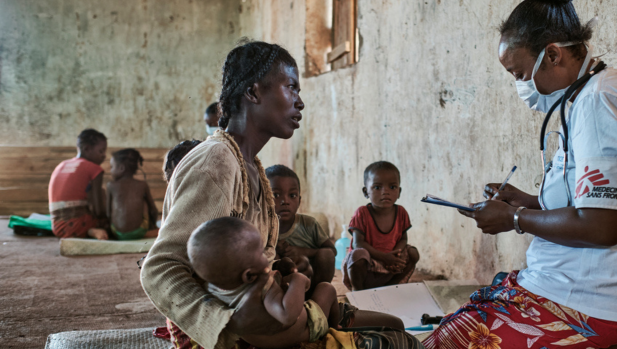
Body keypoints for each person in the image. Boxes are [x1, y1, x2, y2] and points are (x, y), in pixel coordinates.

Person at [423, 1, 617, 349]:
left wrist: (515, 217)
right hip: (572, 285)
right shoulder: (586, 98)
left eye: (520, 74)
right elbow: (592, 200)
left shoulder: (601, 102)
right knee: (452, 327)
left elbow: (603, 226)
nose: (521, 85)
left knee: (443, 344)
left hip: (590, 300)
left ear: (552, 55)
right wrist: (528, 201)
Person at [140, 40, 404, 349]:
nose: (299, 102)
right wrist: (227, 326)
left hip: (267, 313)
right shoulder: (216, 163)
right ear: (253, 93)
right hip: (228, 332)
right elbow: (160, 268)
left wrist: (279, 272)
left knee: (395, 325)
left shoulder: (251, 167)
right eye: (291, 87)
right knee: (394, 341)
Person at [188, 217, 341, 348]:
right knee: (326, 289)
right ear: (249, 276)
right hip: (306, 329)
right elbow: (288, 315)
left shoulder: (213, 288)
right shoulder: (261, 285)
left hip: (262, 341)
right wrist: (297, 280)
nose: (266, 258)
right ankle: (335, 329)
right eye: (261, 253)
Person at [342, 161, 419, 291]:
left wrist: (396, 256)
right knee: (357, 255)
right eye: (377, 187)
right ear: (366, 192)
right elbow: (358, 244)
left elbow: (403, 239)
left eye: (392, 187)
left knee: (413, 253)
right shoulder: (362, 213)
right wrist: (385, 257)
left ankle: (390, 287)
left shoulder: (401, 212)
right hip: (368, 265)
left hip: (390, 265)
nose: (385, 192)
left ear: (399, 192)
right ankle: (358, 292)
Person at [266, 164, 336, 294]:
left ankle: (319, 295)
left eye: (292, 195)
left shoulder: (309, 224)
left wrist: (302, 251)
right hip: (280, 289)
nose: (285, 201)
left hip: (313, 281)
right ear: (262, 199)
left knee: (326, 255)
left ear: (299, 200)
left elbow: (332, 251)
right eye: (276, 195)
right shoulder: (263, 228)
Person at [48, 128, 109, 239]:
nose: (104, 155)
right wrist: (107, 219)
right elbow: (99, 208)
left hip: (57, 227)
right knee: (103, 193)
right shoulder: (95, 168)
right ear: (87, 149)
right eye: (101, 151)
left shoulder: (62, 164)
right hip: (77, 225)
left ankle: (88, 230)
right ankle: (91, 230)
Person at [107, 148, 159, 240]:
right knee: (143, 203)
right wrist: (152, 224)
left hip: (116, 232)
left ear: (121, 168)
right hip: (139, 231)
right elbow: (153, 210)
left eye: (112, 167)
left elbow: (108, 212)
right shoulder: (142, 185)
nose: (110, 171)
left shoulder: (111, 185)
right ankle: (150, 231)